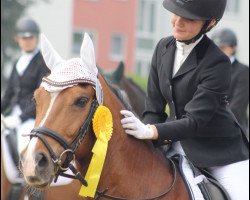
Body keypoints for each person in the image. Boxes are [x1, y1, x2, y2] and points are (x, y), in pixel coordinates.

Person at [120, 0, 249, 199]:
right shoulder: (163, 48)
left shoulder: (217, 62)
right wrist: (141, 141)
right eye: (175, 13)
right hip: (175, 142)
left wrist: (150, 131)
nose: (178, 22)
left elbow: (194, 121)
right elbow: (154, 108)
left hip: (219, 152)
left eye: (188, 18)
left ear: (210, 23)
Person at [1, 17, 50, 157]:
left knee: (24, 148)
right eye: (24, 38)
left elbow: (41, 98)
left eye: (31, 37)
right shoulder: (18, 62)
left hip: (31, 117)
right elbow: (8, 94)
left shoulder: (42, 63)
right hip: (13, 114)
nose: (27, 41)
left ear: (36, 39)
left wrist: (20, 118)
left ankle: (25, 178)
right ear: (17, 39)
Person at [211, 28, 249, 139]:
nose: (218, 51)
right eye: (215, 48)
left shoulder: (244, 71)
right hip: (205, 130)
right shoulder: (208, 70)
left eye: (222, 47)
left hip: (232, 131)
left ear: (233, 48)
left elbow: (237, 107)